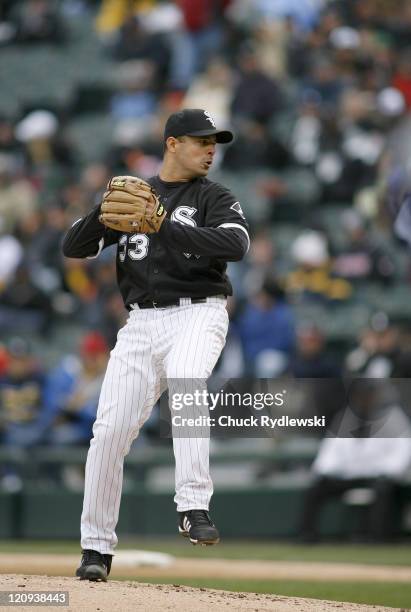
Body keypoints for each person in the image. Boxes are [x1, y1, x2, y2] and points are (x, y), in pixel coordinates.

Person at [62, 108, 249, 581]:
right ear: (172, 143)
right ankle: (95, 550)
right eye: (201, 140)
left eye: (214, 142)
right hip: (140, 324)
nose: (210, 149)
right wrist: (100, 213)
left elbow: (235, 245)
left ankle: (193, 505)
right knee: (108, 433)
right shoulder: (135, 195)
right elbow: (73, 247)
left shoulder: (214, 196)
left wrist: (161, 223)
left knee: (188, 380)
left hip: (198, 312)